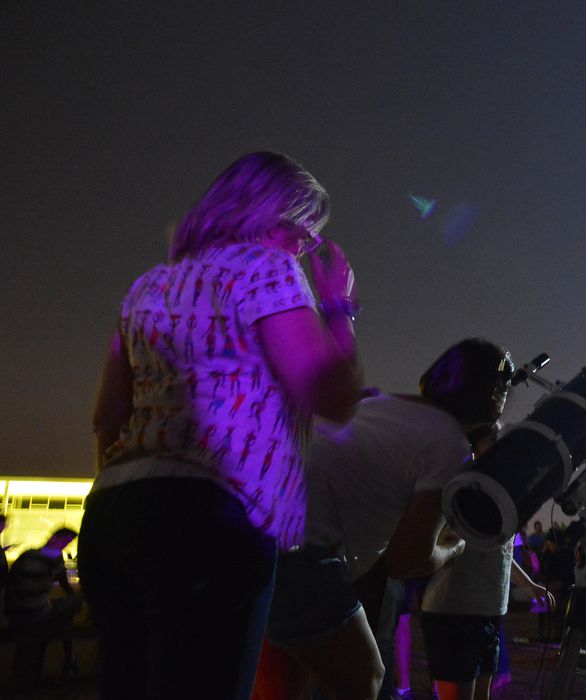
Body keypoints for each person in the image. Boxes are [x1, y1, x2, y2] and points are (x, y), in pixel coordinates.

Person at [81, 151, 363, 700]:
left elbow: (106, 418)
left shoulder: (148, 286)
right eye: (304, 235)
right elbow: (333, 395)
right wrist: (338, 307)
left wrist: (134, 506)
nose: (304, 252)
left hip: (113, 514)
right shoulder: (268, 269)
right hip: (212, 521)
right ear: (271, 219)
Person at [257, 338, 516, 700]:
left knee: (284, 687)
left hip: (257, 524)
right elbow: (406, 559)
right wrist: (454, 548)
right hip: (300, 550)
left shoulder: (381, 403)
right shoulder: (450, 445)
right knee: (366, 679)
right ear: (490, 393)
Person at [419, 422, 553, 700]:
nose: (501, 445)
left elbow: (500, 551)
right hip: (454, 611)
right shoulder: (455, 485)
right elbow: (433, 540)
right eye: (493, 438)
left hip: (489, 610)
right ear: (472, 445)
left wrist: (529, 584)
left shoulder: (499, 491)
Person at [4, 527, 84, 675]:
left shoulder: (28, 554)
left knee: (62, 611)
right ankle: (69, 661)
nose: (66, 544)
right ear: (55, 538)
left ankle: (66, 659)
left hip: (13, 612)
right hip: (34, 613)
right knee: (72, 606)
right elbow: (65, 585)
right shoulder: (54, 558)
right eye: (66, 541)